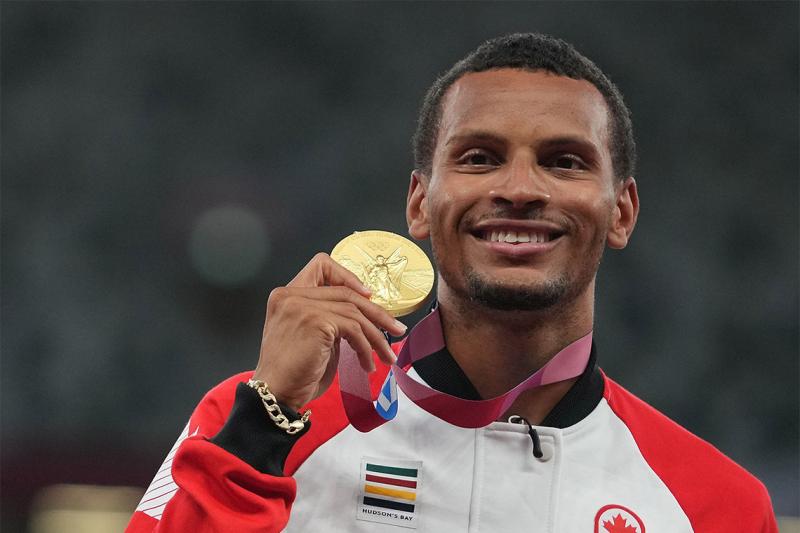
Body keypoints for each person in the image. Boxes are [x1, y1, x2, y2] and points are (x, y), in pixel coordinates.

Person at [126, 33, 777, 532]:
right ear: (419, 203)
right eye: (479, 157)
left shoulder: (715, 503)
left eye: (564, 161)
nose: (519, 189)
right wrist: (262, 424)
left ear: (622, 210)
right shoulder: (257, 424)